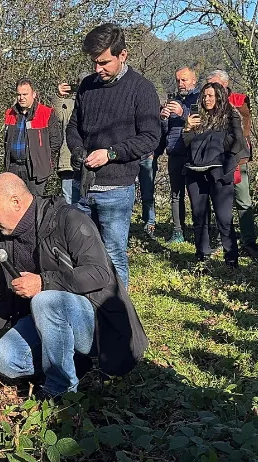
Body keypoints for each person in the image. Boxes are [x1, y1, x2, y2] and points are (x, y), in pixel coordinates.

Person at [0, 173, 148, 397]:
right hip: (51, 320)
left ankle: (61, 389)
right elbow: (4, 303)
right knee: (5, 358)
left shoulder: (69, 219)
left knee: (46, 299)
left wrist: (43, 282)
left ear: (15, 202)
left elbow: (99, 273)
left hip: (99, 322)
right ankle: (75, 364)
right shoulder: (5, 243)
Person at [66, 23, 161, 287]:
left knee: (114, 254)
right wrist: (77, 149)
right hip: (82, 185)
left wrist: (111, 153)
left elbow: (150, 137)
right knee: (81, 253)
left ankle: (120, 315)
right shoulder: (87, 86)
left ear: (123, 55)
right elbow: (74, 126)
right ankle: (89, 307)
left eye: (104, 62)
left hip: (116, 189)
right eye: (94, 62)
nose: (98, 69)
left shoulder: (142, 89)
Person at [182, 83, 248, 267]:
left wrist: (222, 156)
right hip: (194, 173)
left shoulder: (230, 116)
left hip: (219, 173)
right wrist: (187, 129)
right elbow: (187, 144)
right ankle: (202, 256)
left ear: (219, 97)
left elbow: (238, 140)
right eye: (204, 96)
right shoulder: (197, 118)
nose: (207, 100)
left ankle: (231, 259)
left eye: (211, 96)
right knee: (199, 215)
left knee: (224, 217)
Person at [207, 69, 258, 257]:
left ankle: (249, 241)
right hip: (214, 159)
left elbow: (244, 127)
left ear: (224, 84)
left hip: (237, 158)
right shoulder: (207, 102)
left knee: (243, 201)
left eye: (214, 84)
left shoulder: (239, 100)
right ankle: (223, 239)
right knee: (220, 201)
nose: (211, 89)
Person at [156, 66, 201, 243]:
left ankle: (199, 232)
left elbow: (200, 124)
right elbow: (167, 131)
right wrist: (164, 118)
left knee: (196, 194)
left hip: (193, 153)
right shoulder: (172, 100)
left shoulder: (200, 98)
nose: (180, 84)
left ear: (193, 80)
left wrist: (183, 113)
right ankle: (177, 231)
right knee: (176, 194)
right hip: (174, 152)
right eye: (178, 80)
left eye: (184, 80)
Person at [3, 78, 61, 196]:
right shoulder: (10, 113)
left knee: (34, 206)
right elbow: (5, 140)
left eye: (25, 94)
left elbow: (55, 141)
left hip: (35, 169)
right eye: (19, 94)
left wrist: (44, 160)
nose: (21, 98)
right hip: (13, 168)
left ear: (34, 94)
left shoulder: (46, 113)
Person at [54, 82, 76, 202]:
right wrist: (59, 95)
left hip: (91, 161)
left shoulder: (98, 104)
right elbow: (57, 114)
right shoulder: (68, 105)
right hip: (68, 161)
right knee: (68, 197)